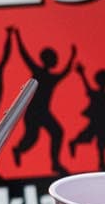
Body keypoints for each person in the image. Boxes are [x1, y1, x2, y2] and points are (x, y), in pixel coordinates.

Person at [5, 26, 77, 175]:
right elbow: (24, 55)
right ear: (48, 60)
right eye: (54, 58)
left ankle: (56, 164)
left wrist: (72, 56)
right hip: (33, 113)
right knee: (32, 138)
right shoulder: (38, 72)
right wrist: (16, 36)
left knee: (57, 132)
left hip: (44, 112)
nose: (56, 60)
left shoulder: (52, 78)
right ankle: (18, 150)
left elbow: (65, 72)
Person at [68, 62, 105, 170]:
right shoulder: (97, 94)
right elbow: (88, 87)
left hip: (103, 123)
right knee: (90, 138)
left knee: (101, 144)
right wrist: (82, 74)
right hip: (96, 122)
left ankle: (102, 163)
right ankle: (74, 142)